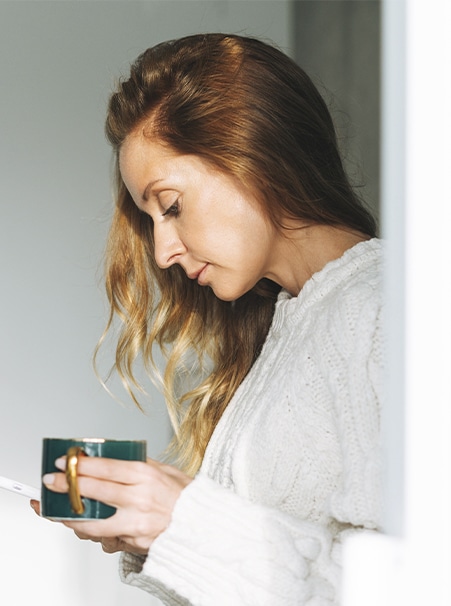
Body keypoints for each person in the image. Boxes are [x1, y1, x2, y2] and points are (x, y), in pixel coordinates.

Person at [32, 33, 383, 605]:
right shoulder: (283, 330)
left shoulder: (386, 310)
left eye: (170, 206)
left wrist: (186, 522)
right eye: (150, 220)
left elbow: (415, 582)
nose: (162, 250)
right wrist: (156, 536)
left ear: (254, 154)